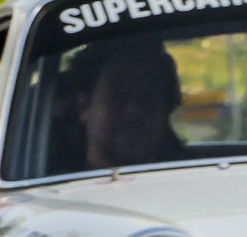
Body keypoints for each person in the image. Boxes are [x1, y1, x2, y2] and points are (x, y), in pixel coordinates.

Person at [68, 41, 190, 171]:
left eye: (147, 98)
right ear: (84, 106)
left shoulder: (194, 177)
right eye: (118, 96)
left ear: (166, 109)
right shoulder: (54, 187)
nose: (134, 111)